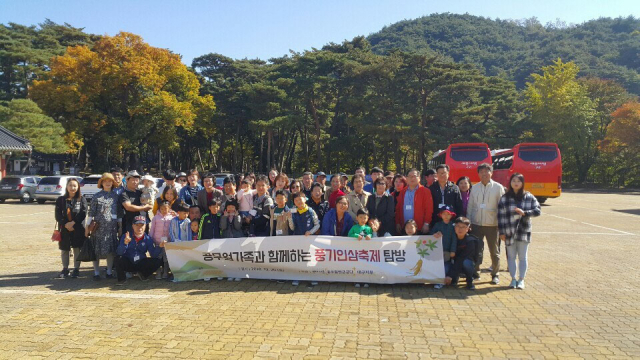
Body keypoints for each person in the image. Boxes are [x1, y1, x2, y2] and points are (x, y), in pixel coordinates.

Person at [498, 173, 541, 290]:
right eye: (513, 181)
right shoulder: (505, 198)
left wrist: (525, 213)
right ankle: (513, 279)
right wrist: (501, 232)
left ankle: (521, 280)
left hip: (523, 231)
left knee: (523, 257)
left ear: (522, 183)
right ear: (510, 183)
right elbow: (500, 216)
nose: (516, 183)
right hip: (508, 231)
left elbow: (538, 210)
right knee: (511, 257)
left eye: (518, 181)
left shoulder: (529, 196)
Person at [467, 163, 505, 284]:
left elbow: (502, 207)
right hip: (476, 223)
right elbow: (470, 205)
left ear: (491, 173)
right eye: (481, 172)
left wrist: (501, 222)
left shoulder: (498, 188)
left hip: (492, 224)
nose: (484, 174)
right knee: (477, 249)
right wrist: (469, 221)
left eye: (486, 171)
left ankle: (495, 274)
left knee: (494, 251)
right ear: (478, 174)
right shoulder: (475, 187)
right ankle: (476, 271)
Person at [86, 173, 122, 280]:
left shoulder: (116, 197)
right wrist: (87, 226)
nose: (108, 183)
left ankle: (109, 271)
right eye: (105, 181)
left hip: (111, 229)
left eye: (110, 181)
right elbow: (91, 212)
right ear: (102, 183)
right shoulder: (96, 196)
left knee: (111, 251)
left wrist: (120, 227)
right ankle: (96, 272)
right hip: (98, 228)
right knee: (96, 250)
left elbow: (119, 213)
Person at [115, 215, 163, 285]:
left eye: (142, 225)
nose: (139, 228)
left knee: (158, 261)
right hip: (128, 262)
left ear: (145, 226)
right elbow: (119, 252)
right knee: (117, 259)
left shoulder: (148, 239)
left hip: (140, 262)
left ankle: (143, 274)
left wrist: (159, 247)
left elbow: (153, 255)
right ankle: (122, 279)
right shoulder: (126, 236)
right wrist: (125, 243)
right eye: (137, 225)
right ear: (132, 226)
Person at [55, 178, 87, 279]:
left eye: (74, 186)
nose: (72, 188)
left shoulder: (81, 199)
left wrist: (73, 223)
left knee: (77, 248)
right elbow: (58, 215)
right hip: (64, 228)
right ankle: (65, 268)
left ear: (78, 187)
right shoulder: (60, 200)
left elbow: (83, 212)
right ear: (67, 186)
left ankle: (76, 269)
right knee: (64, 249)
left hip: (78, 228)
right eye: (70, 185)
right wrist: (66, 224)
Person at [395, 169, 433, 235]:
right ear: (406, 178)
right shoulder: (402, 191)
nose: (412, 178)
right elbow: (398, 208)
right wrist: (397, 222)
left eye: (414, 176)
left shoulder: (425, 191)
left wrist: (426, 223)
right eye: (410, 176)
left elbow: (429, 209)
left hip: (420, 227)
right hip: (405, 228)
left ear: (419, 178)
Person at [444, 217, 479, 290]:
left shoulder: (471, 241)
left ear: (467, 229)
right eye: (458, 226)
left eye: (463, 227)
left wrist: (450, 275)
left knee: (466, 262)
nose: (460, 229)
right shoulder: (451, 238)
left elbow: (461, 258)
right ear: (454, 227)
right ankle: (454, 278)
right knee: (445, 267)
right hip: (453, 262)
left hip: (465, 263)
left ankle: (469, 280)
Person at [429, 206, 457, 289]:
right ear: (441, 215)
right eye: (444, 214)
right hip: (438, 252)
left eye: (448, 214)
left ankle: (443, 280)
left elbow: (454, 239)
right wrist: (435, 234)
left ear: (451, 215)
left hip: (447, 252)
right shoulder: (437, 225)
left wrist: (453, 251)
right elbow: (431, 234)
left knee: (446, 267)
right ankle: (438, 281)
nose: (446, 216)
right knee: (437, 266)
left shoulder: (453, 226)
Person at [349, 208, 373, 289]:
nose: (363, 220)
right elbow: (349, 235)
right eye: (361, 217)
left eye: (365, 218)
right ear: (357, 218)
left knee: (366, 265)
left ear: (367, 218)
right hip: (356, 251)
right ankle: (357, 280)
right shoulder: (354, 227)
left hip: (366, 251)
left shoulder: (368, 228)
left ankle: (366, 280)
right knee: (357, 265)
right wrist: (356, 236)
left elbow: (371, 234)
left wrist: (370, 236)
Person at [150, 200, 174, 279]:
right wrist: (151, 239)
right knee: (158, 257)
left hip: (167, 242)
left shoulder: (172, 217)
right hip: (158, 242)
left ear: (169, 208)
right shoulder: (156, 218)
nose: (164, 211)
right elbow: (152, 229)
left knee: (166, 258)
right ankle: (158, 272)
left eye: (166, 209)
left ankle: (166, 272)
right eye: (162, 209)